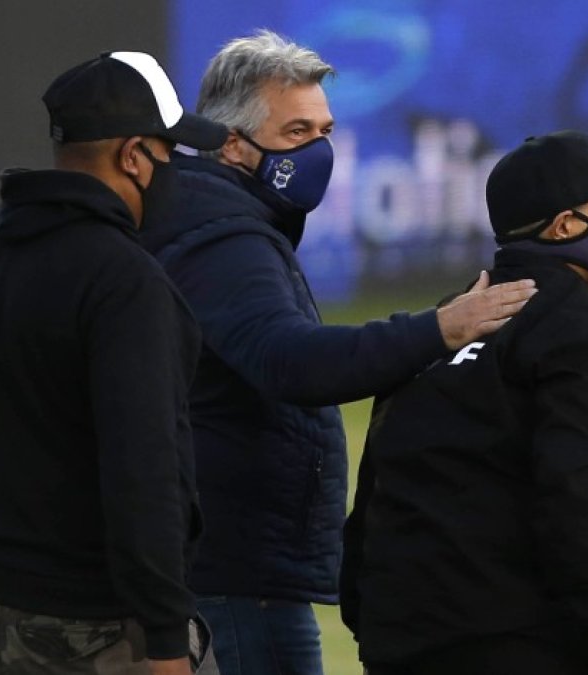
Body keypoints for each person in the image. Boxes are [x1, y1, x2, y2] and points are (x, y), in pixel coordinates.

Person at [139, 30, 537, 675]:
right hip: (236, 578)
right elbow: (292, 361)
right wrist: (439, 330)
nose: (318, 150)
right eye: (297, 132)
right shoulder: (224, 240)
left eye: (324, 131)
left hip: (230, 566)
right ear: (232, 144)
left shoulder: (218, 219)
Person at [0, 51, 228, 675]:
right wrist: (165, 637)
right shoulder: (125, 280)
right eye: (169, 150)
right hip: (94, 625)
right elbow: (146, 470)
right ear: (133, 156)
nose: (175, 169)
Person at [340, 130, 588, 675]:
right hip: (515, 640)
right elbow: (575, 496)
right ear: (566, 226)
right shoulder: (581, 332)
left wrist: (367, 612)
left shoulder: (446, 320)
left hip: (398, 636)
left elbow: (379, 474)